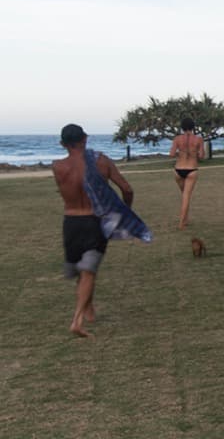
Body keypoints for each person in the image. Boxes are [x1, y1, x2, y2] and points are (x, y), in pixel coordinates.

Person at [51, 124, 152, 338]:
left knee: (82, 269)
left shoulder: (58, 166)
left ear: (62, 144)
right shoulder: (101, 161)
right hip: (94, 221)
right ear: (85, 138)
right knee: (89, 271)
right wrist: (125, 210)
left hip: (70, 221)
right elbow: (127, 188)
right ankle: (77, 319)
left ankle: (89, 310)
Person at [169, 116, 202, 230]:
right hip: (191, 170)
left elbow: (172, 154)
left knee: (184, 195)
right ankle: (181, 224)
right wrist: (194, 153)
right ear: (193, 127)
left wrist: (181, 153)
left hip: (178, 170)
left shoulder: (177, 139)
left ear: (182, 127)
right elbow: (202, 155)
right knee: (186, 196)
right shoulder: (198, 139)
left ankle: (185, 219)